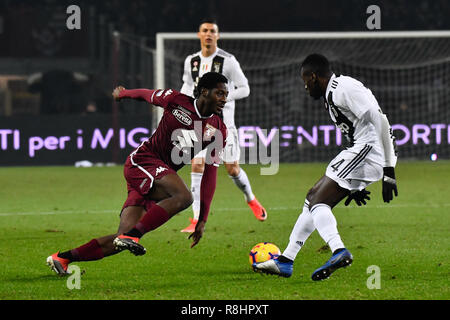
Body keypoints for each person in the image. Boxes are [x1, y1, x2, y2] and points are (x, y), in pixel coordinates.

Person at [46, 72, 228, 275]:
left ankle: (62, 259)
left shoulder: (219, 130)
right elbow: (147, 94)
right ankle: (134, 236)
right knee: (183, 197)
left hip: (157, 178)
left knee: (119, 239)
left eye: (226, 94)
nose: (224, 99)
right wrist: (123, 94)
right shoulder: (176, 100)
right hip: (142, 162)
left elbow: (210, 174)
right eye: (220, 93)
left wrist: (202, 219)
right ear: (205, 91)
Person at [253, 53, 398, 281]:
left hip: (372, 150)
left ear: (313, 77)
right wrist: (355, 185)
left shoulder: (344, 88)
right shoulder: (331, 96)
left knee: (319, 203)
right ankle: (286, 261)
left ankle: (339, 251)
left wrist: (389, 170)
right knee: (312, 198)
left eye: (305, 81)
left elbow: (381, 120)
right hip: (363, 150)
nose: (305, 87)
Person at [180, 19, 267, 233]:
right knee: (197, 164)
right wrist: (180, 103)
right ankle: (195, 219)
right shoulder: (191, 61)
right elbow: (187, 85)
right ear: (199, 35)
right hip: (199, 124)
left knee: (232, 168)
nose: (208, 34)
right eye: (205, 31)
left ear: (217, 36)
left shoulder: (228, 61)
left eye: (212, 31)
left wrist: (224, 98)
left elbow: (245, 88)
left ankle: (251, 199)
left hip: (224, 125)